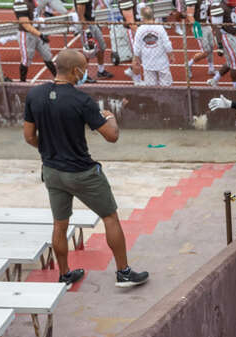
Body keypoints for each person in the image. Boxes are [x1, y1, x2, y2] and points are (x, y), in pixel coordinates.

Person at [23, 49, 149, 289]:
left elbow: (29, 136)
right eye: (83, 69)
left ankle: (65, 275)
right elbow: (111, 136)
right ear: (74, 71)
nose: (84, 73)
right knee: (110, 217)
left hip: (52, 171)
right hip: (82, 172)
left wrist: (49, 150)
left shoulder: (35, 94)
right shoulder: (82, 101)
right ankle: (123, 272)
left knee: (59, 225)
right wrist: (111, 117)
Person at [13, 0, 56, 83]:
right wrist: (40, 35)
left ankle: (58, 77)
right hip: (27, 34)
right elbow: (26, 25)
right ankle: (22, 82)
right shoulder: (20, 3)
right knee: (26, 59)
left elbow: (35, 15)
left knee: (47, 55)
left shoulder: (32, 1)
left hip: (37, 31)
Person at [133, 5, 173, 85]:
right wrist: (171, 55)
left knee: (151, 86)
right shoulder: (160, 28)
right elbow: (167, 43)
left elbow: (137, 46)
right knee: (166, 85)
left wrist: (136, 58)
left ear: (142, 17)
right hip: (162, 61)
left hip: (148, 62)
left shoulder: (140, 30)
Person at [74, 0, 113, 81]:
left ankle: (101, 71)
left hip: (93, 23)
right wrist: (86, 30)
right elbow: (80, 15)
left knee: (101, 48)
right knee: (88, 52)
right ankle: (84, 75)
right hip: (87, 25)